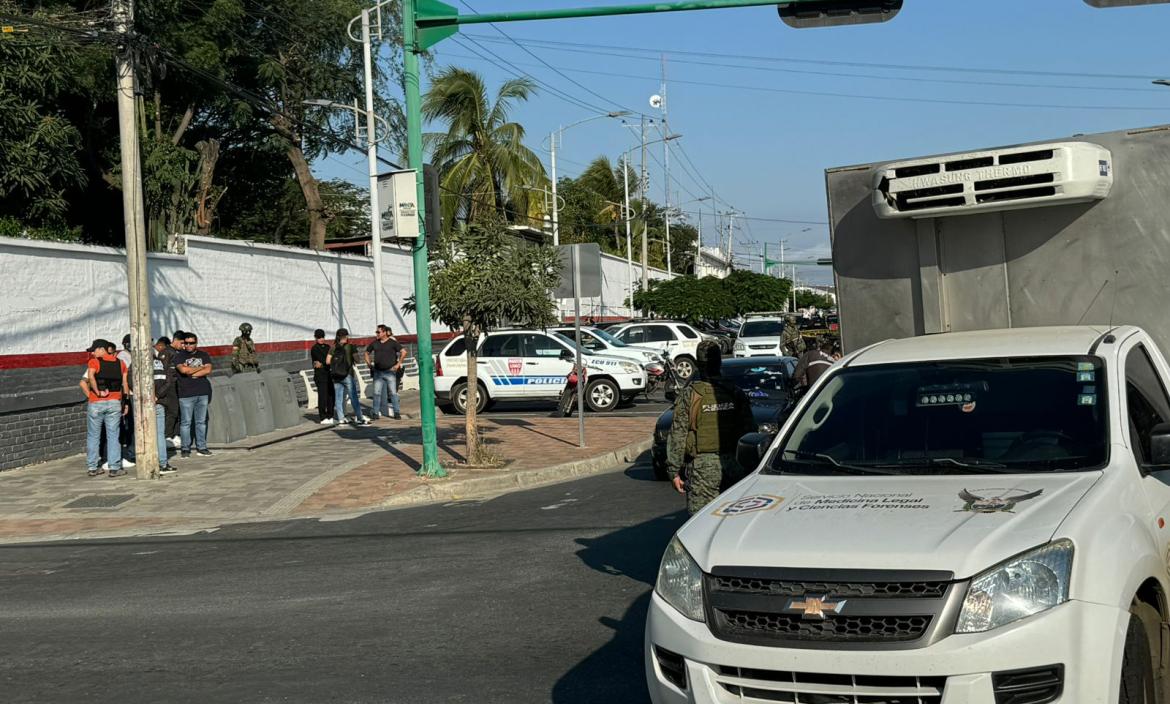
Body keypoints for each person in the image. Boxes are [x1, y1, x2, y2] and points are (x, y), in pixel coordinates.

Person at [666, 340, 757, 514]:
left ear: (699, 364)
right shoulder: (735, 392)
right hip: (735, 465)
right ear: (719, 362)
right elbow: (750, 431)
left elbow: (678, 434)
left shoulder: (690, 395)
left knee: (701, 522)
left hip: (702, 469)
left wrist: (673, 471)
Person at [82, 339, 129, 477]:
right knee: (113, 435)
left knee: (93, 436)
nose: (93, 353)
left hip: (96, 403)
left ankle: (92, 467)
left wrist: (97, 392)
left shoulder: (94, 362)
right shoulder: (120, 363)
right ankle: (114, 467)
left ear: (102, 349)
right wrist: (125, 402)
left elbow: (90, 377)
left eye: (94, 350)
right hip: (114, 402)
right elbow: (125, 384)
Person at [174, 333, 214, 458]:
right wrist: (199, 368)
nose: (189, 345)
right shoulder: (179, 356)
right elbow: (183, 371)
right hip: (186, 394)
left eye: (191, 343)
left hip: (202, 392)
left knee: (201, 422)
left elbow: (208, 370)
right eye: (186, 343)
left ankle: (201, 447)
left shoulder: (203, 355)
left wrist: (192, 371)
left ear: (196, 343)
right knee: (186, 422)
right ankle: (185, 448)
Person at [327, 328, 370, 426]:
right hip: (348, 374)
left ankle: (341, 418)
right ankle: (359, 417)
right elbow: (357, 360)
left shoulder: (333, 347)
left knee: (338, 398)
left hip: (336, 376)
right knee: (353, 397)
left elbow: (328, 361)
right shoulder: (350, 347)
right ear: (345, 336)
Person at [365, 324, 406, 420]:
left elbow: (404, 352)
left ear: (384, 333)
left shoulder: (392, 343)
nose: (377, 334)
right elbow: (366, 353)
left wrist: (398, 364)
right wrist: (369, 365)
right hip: (378, 372)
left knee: (393, 393)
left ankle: (396, 412)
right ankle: (375, 412)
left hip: (390, 372)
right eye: (376, 332)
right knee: (376, 393)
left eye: (378, 332)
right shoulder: (375, 343)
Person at [151, 343, 178, 474]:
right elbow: (169, 381)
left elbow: (130, 379)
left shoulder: (138, 364)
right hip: (159, 401)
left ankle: (150, 461)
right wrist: (158, 395)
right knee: (160, 434)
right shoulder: (162, 363)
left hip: (145, 404)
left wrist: (148, 396)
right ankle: (162, 463)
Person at [158, 331, 186, 446]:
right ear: (176, 340)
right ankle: (167, 435)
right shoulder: (166, 352)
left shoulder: (176, 352)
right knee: (172, 411)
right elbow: (163, 370)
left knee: (177, 411)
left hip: (177, 384)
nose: (183, 346)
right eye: (182, 343)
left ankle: (175, 434)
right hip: (169, 385)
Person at [310, 329, 335, 425]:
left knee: (331, 396)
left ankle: (330, 415)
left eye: (322, 337)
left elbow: (329, 360)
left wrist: (325, 363)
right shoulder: (315, 348)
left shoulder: (328, 347)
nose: (321, 339)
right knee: (323, 396)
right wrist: (326, 362)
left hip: (329, 374)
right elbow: (321, 360)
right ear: (315, 338)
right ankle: (323, 417)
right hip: (320, 376)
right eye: (319, 337)